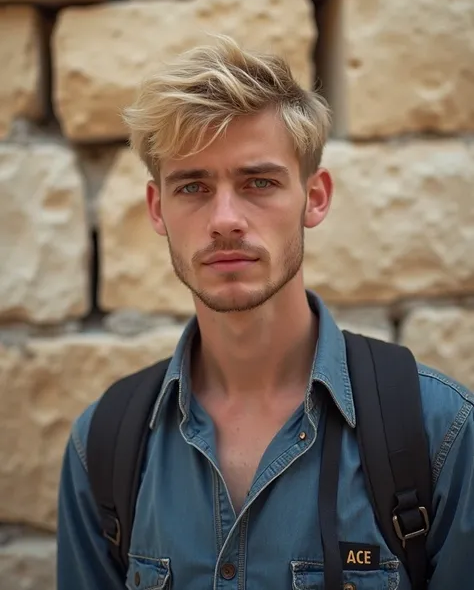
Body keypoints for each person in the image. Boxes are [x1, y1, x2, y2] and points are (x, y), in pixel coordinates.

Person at [57, 36, 474, 589]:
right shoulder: (104, 446)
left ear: (315, 197)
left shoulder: (438, 430)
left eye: (259, 182)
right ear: (158, 208)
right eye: (193, 186)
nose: (225, 219)